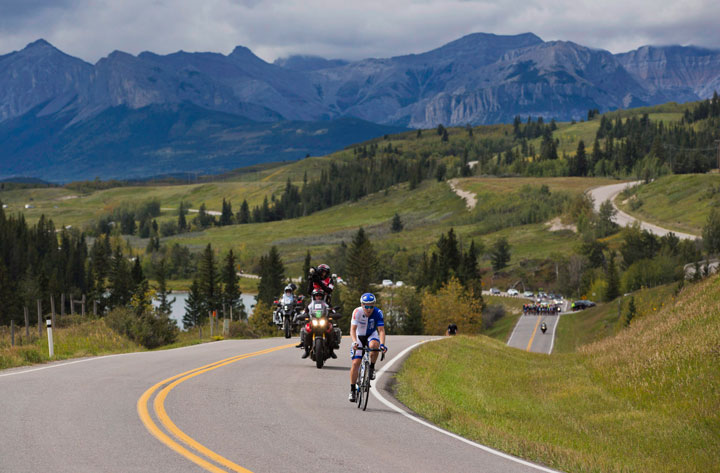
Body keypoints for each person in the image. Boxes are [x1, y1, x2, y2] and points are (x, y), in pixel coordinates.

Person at [349, 293, 387, 402]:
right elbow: (352, 329)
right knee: (356, 363)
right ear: (362, 305)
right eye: (366, 306)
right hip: (359, 336)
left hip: (371, 335)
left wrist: (382, 344)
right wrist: (355, 342)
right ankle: (352, 390)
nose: (369, 309)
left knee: (374, 346)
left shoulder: (378, 313)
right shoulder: (357, 312)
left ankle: (371, 367)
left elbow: (381, 330)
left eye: (371, 306)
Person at [297, 289, 339, 359]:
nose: (318, 297)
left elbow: (333, 310)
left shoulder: (326, 304)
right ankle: (306, 350)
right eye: (316, 295)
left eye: (320, 295)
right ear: (313, 296)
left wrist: (335, 313)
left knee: (332, 330)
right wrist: (302, 315)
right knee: (305, 330)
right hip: (313, 321)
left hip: (324, 321)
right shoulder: (310, 305)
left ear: (323, 297)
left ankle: (331, 351)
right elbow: (304, 312)